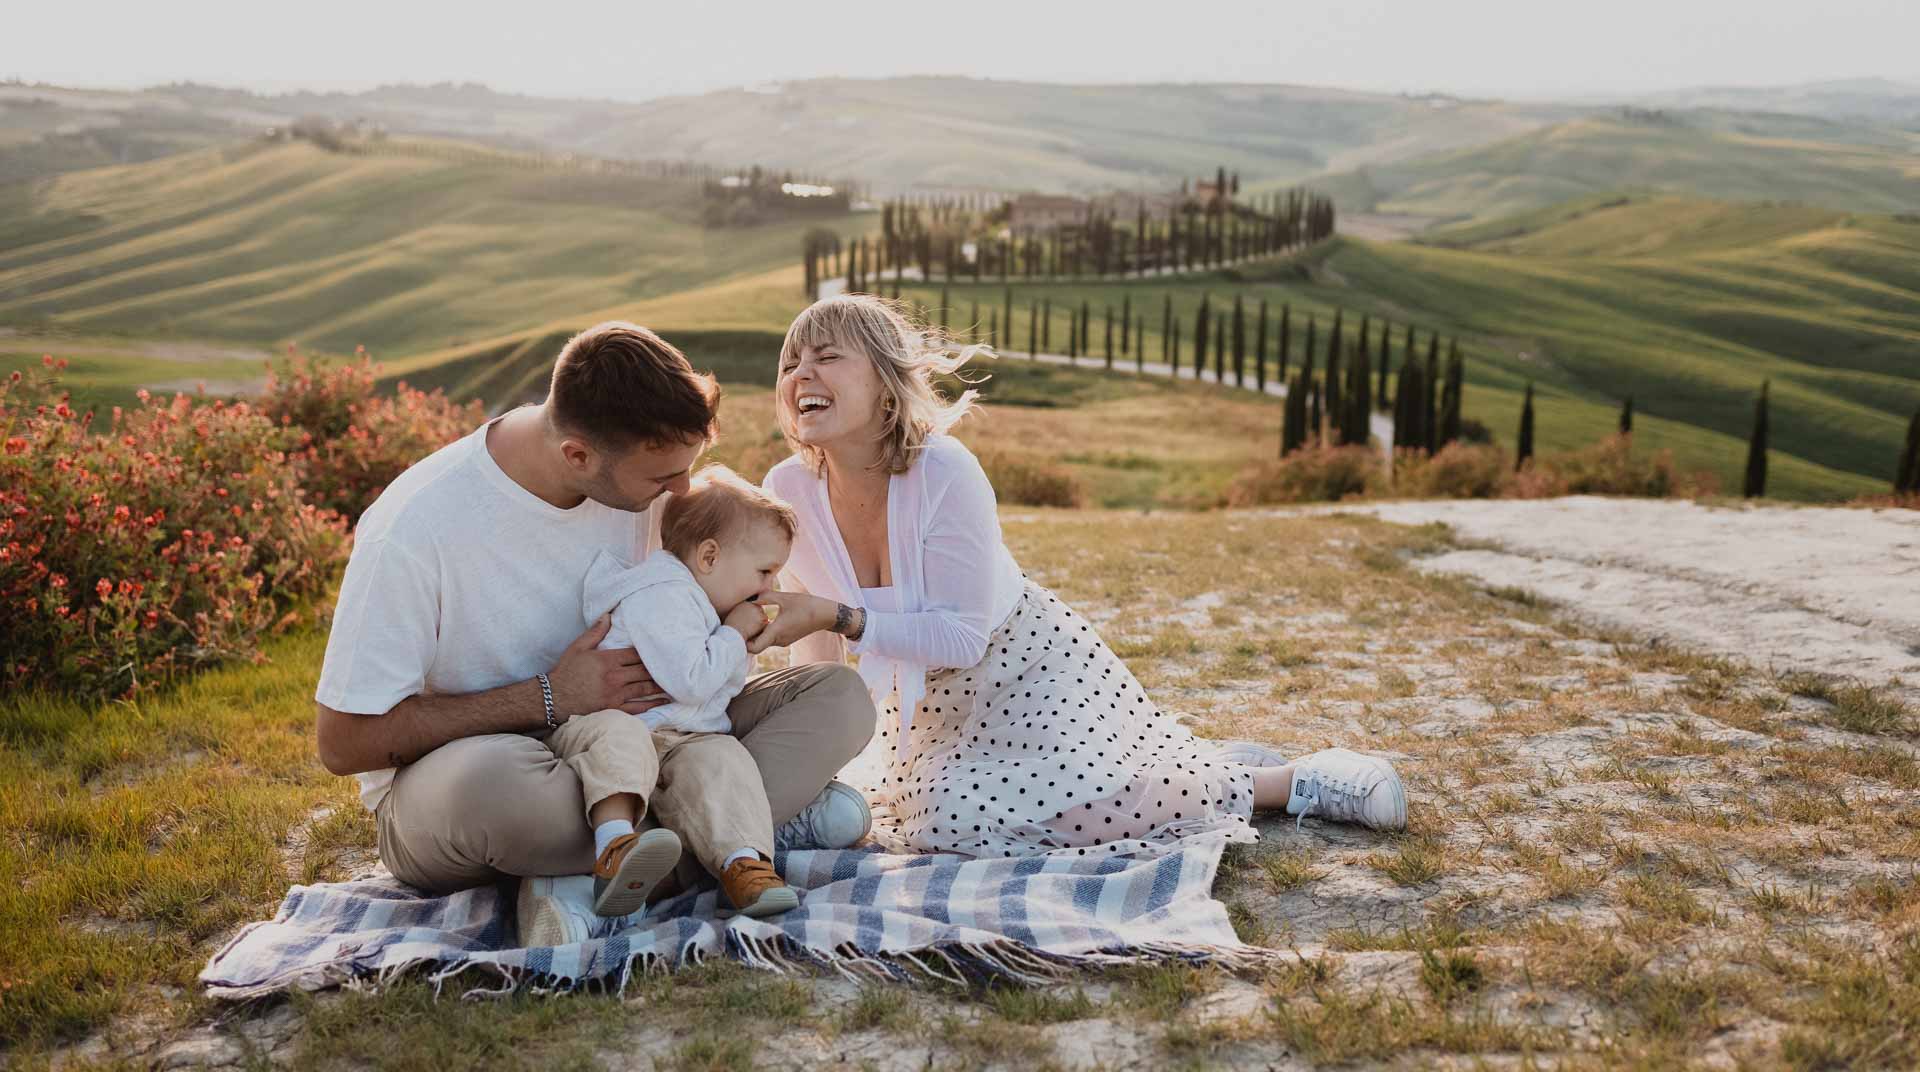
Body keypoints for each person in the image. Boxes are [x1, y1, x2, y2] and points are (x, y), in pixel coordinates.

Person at [750, 295, 1407, 861]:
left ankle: (1291, 782)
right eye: (790, 363)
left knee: (1009, 817)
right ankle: (1168, 768)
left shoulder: (943, 471)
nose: (801, 372)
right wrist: (819, 759)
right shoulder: (787, 490)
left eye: (827, 356)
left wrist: (841, 619)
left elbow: (959, 639)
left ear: (885, 381)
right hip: (916, 706)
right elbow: (820, 655)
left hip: (1018, 667)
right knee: (937, 824)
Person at [313, 322, 875, 946]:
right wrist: (547, 697)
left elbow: (686, 600)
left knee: (838, 700)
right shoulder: (415, 529)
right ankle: (736, 835)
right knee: (490, 786)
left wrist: (754, 614)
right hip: (504, 771)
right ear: (577, 456)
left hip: (661, 738)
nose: (682, 490)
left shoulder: (639, 482)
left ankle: (594, 871)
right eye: (663, 477)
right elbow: (343, 743)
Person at [566, 465, 807, 937]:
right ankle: (616, 848)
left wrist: (735, 642)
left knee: (723, 759)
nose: (767, 590)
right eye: (764, 572)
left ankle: (743, 864)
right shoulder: (664, 594)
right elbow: (694, 681)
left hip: (682, 737)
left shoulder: (701, 602)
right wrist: (735, 634)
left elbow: (722, 690)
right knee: (620, 742)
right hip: (617, 723)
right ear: (710, 556)